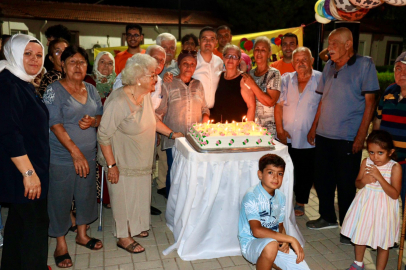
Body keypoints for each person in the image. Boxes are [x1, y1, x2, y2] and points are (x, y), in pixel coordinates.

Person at [97, 54, 183, 254]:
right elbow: (103, 135)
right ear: (138, 78)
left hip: (140, 161)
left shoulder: (142, 96)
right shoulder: (119, 101)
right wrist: (111, 166)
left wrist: (171, 133)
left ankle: (134, 227)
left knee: (138, 196)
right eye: (152, 75)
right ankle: (123, 237)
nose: (155, 78)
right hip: (121, 160)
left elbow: (152, 120)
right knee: (123, 198)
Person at [306, 28, 380, 244]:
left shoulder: (365, 65)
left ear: (349, 44)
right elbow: (323, 99)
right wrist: (314, 126)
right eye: (329, 43)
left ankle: (349, 227)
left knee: (346, 184)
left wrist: (361, 136)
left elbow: (370, 104)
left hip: (347, 136)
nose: (330, 47)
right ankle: (327, 216)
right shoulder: (329, 65)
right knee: (322, 180)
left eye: (335, 43)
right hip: (323, 135)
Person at [43, 45, 103, 268]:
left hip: (88, 153)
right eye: (72, 62)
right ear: (63, 66)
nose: (78, 66)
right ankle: (60, 243)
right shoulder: (54, 90)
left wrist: (93, 122)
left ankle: (82, 235)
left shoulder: (91, 88)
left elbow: (99, 115)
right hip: (62, 156)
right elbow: (55, 124)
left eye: (82, 62)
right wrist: (75, 152)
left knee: (86, 194)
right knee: (60, 198)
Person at [0, 34, 50, 270]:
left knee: (18, 226)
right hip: (24, 172)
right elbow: (9, 133)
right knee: (34, 228)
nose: (34, 59)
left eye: (39, 55)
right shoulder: (9, 85)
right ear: (13, 53)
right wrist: (28, 173)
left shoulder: (20, 81)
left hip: (28, 169)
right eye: (27, 53)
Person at [113, 45, 169, 203]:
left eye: (162, 61)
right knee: (130, 174)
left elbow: (154, 109)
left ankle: (142, 207)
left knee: (146, 172)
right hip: (128, 135)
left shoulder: (159, 81)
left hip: (148, 133)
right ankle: (131, 209)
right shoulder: (127, 79)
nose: (158, 63)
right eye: (155, 59)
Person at [341, 130, 401, 270]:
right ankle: (358, 263)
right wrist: (365, 180)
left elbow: (394, 194)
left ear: (390, 152)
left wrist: (379, 177)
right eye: (371, 152)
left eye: (380, 153)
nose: (375, 157)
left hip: (384, 209)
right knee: (361, 234)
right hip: (366, 205)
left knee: (383, 240)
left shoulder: (395, 167)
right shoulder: (366, 162)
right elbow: (357, 184)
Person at [238, 154, 310, 270]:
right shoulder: (252, 195)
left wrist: (284, 240)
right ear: (260, 174)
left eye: (280, 173)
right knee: (271, 246)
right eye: (270, 172)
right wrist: (291, 239)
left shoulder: (281, 197)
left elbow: (280, 225)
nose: (275, 178)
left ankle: (270, 259)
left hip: (275, 242)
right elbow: (256, 231)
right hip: (252, 243)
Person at [274, 47, 322, 217]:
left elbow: (322, 106)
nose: (300, 63)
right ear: (292, 63)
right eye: (297, 60)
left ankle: (300, 202)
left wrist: (314, 128)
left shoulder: (320, 79)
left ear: (312, 60)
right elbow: (278, 105)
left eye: (304, 59)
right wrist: (279, 129)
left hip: (307, 135)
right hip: (286, 135)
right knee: (285, 169)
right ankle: (283, 200)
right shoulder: (286, 79)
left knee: (305, 171)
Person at [156, 50, 210, 197]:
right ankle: (172, 209)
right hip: (174, 139)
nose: (188, 67)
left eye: (192, 64)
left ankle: (189, 206)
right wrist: (162, 133)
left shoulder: (198, 85)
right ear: (179, 65)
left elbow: (205, 108)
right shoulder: (168, 84)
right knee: (175, 173)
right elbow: (159, 112)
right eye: (185, 63)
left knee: (193, 174)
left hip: (195, 140)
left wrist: (204, 122)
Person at [374, 51, 406, 209]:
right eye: (398, 69)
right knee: (382, 203)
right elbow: (378, 120)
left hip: (405, 163)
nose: (402, 73)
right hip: (386, 161)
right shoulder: (389, 91)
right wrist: (375, 147)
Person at [241, 36, 281, 136]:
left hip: (268, 130)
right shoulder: (250, 73)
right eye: (257, 49)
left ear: (269, 54)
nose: (259, 53)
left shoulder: (274, 73)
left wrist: (253, 84)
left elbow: (270, 102)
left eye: (263, 50)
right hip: (251, 128)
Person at [210, 44, 255, 123]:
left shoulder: (243, 79)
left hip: (236, 130)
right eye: (228, 56)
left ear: (239, 61)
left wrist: (247, 129)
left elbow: (251, 106)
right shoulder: (218, 76)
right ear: (223, 58)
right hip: (217, 128)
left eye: (234, 56)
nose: (230, 59)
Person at [192, 26, 223, 109]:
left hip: (215, 112)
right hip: (195, 112)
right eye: (204, 39)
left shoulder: (219, 62)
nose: (208, 42)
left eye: (212, 39)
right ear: (199, 41)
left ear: (216, 42)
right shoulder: (191, 61)